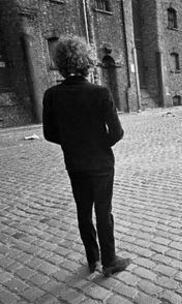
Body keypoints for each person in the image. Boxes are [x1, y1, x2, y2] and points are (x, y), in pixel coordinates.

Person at [42, 36, 130, 277]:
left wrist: (74, 143)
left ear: (60, 63)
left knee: (83, 212)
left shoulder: (51, 95)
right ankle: (110, 261)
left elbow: (49, 133)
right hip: (101, 163)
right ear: (86, 63)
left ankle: (93, 260)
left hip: (75, 164)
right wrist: (98, 144)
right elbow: (117, 132)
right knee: (104, 212)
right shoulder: (100, 93)